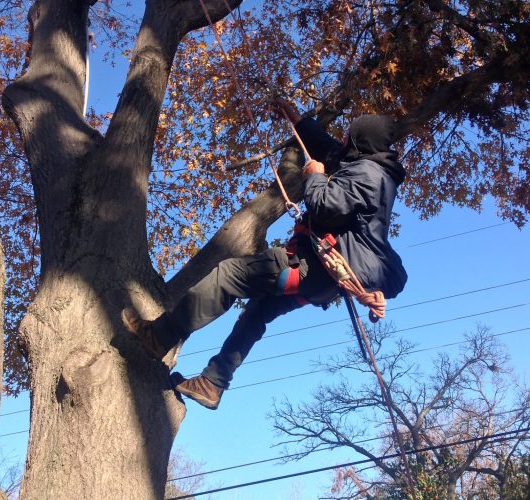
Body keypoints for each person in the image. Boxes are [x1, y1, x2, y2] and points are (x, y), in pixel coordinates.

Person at [122, 98, 408, 410]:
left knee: (229, 275)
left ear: (360, 141)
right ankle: (213, 382)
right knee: (258, 312)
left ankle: (159, 336)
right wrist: (297, 119)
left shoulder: (367, 174)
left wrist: (313, 175)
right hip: (322, 283)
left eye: (348, 136)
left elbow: (326, 208)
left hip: (312, 266)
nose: (342, 140)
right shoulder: (367, 167)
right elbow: (329, 149)